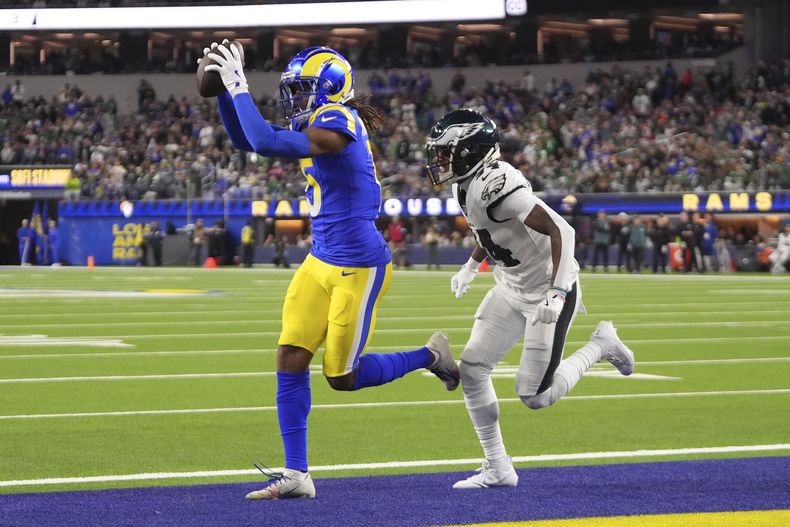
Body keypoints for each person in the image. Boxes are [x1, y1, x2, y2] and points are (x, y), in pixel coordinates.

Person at [205, 41, 459, 500]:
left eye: (303, 89)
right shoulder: (316, 121)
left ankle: (430, 356)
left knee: (342, 377)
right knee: (290, 355)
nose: (294, 98)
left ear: (332, 88)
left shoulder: (341, 121)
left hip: (358, 265)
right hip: (320, 259)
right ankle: (297, 474)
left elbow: (262, 140)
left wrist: (239, 84)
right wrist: (224, 93)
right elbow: (248, 140)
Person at [425, 109, 634, 490]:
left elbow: (562, 230)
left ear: (471, 152)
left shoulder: (498, 184)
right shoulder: (465, 184)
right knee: (472, 369)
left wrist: (556, 293)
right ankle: (498, 468)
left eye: (446, 152)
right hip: (511, 285)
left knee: (534, 396)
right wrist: (471, 266)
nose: (439, 160)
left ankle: (601, 346)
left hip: (548, 289)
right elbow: (489, 231)